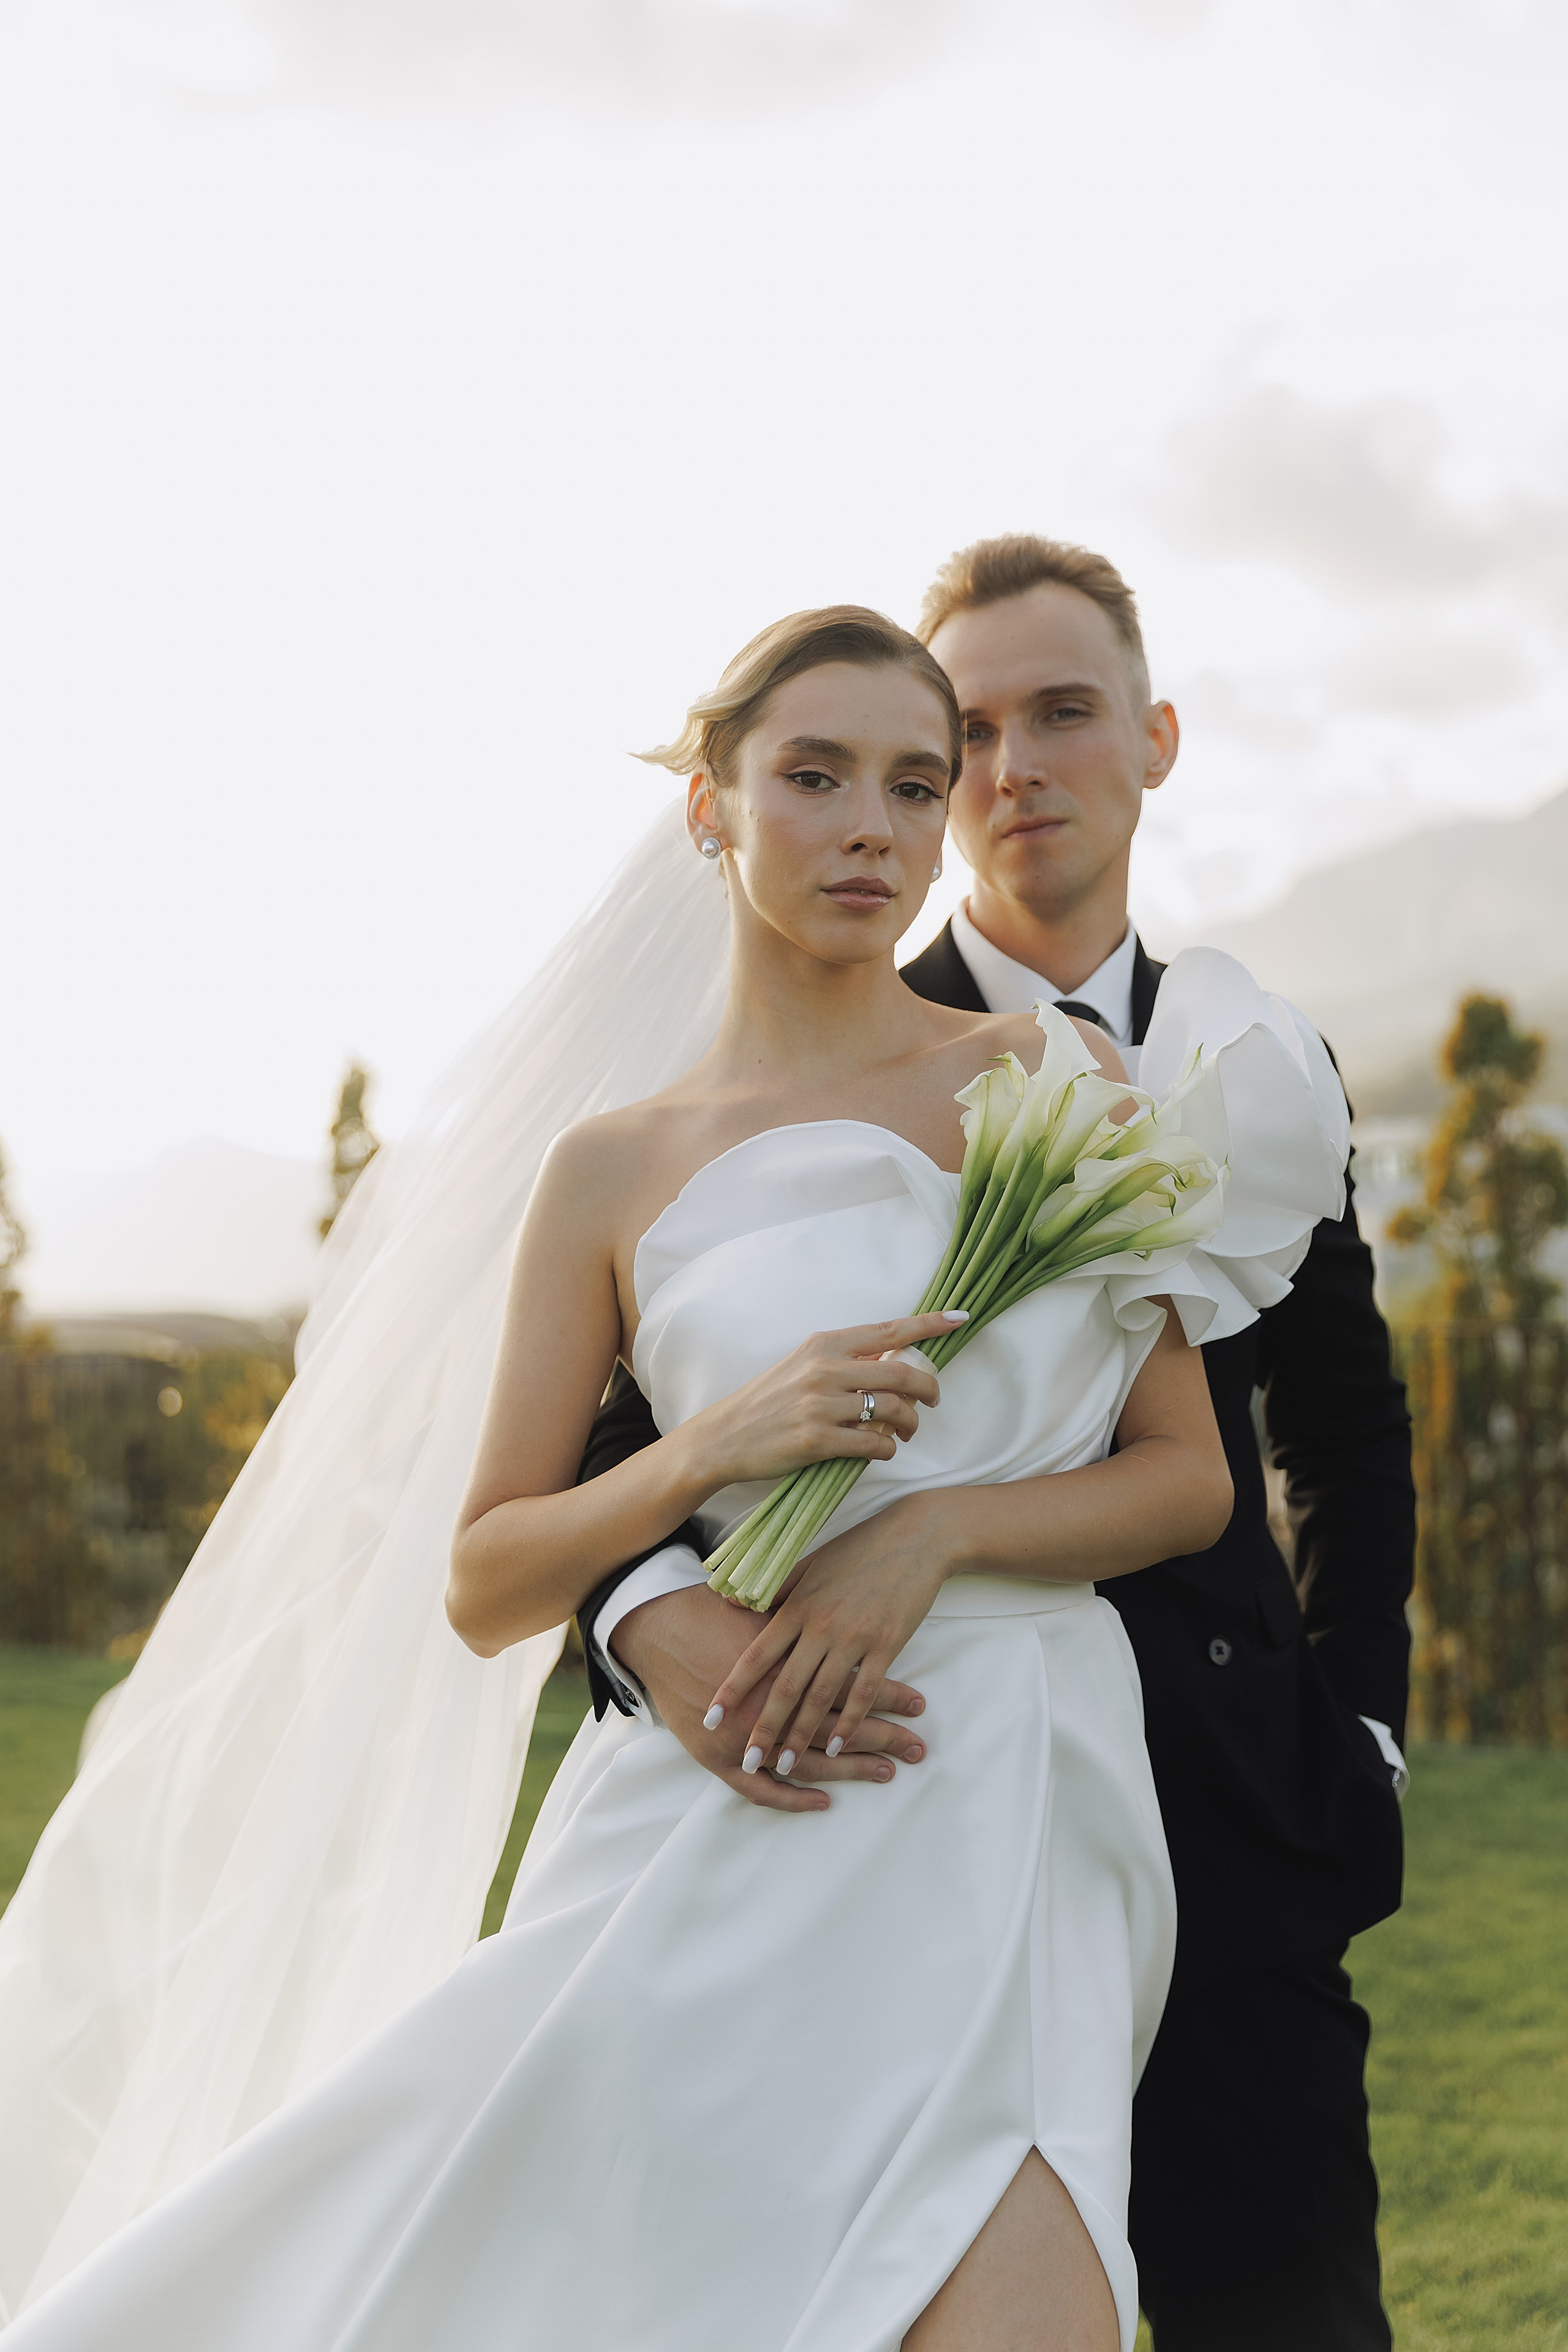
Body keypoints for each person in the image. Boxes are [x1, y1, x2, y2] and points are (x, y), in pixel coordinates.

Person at [0, 606, 1347, 2352]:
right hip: (720, 1817)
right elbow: (489, 1577)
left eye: (914, 785)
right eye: (815, 776)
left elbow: (1187, 1483)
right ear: (709, 808)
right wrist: (710, 1448)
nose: (874, 824)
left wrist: (930, 1536)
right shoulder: (611, 1169)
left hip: (1009, 1786)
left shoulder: (1049, 1082)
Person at [579, 542, 1416, 2352]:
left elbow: (1343, 1429)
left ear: (1154, 740)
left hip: (1222, 1826)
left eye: (1064, 712)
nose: (1013, 764)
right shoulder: (777, 1065)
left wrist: (1363, 1733)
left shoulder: (1262, 1055)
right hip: (876, 1789)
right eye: (971, 729)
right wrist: (657, 1622)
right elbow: (615, 1439)